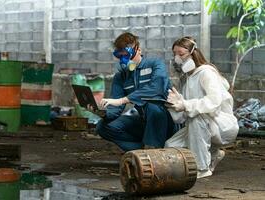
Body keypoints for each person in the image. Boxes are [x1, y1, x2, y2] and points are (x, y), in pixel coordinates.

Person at [165, 36, 239, 178]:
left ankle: (202, 168)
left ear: (193, 53)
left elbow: (213, 101)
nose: (177, 59)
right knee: (170, 146)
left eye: (181, 54)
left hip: (222, 125)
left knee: (197, 118)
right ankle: (213, 154)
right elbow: (182, 118)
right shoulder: (186, 79)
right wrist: (176, 105)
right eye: (174, 54)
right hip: (203, 126)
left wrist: (186, 105)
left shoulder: (206, 72)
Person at [95, 32, 175, 152]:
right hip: (143, 121)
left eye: (127, 54)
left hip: (165, 121)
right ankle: (142, 150)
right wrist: (102, 113)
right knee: (103, 126)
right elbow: (116, 108)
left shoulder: (155, 64)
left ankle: (152, 147)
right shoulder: (121, 76)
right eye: (119, 55)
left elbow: (156, 89)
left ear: (138, 50)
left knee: (153, 106)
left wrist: (123, 100)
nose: (124, 59)